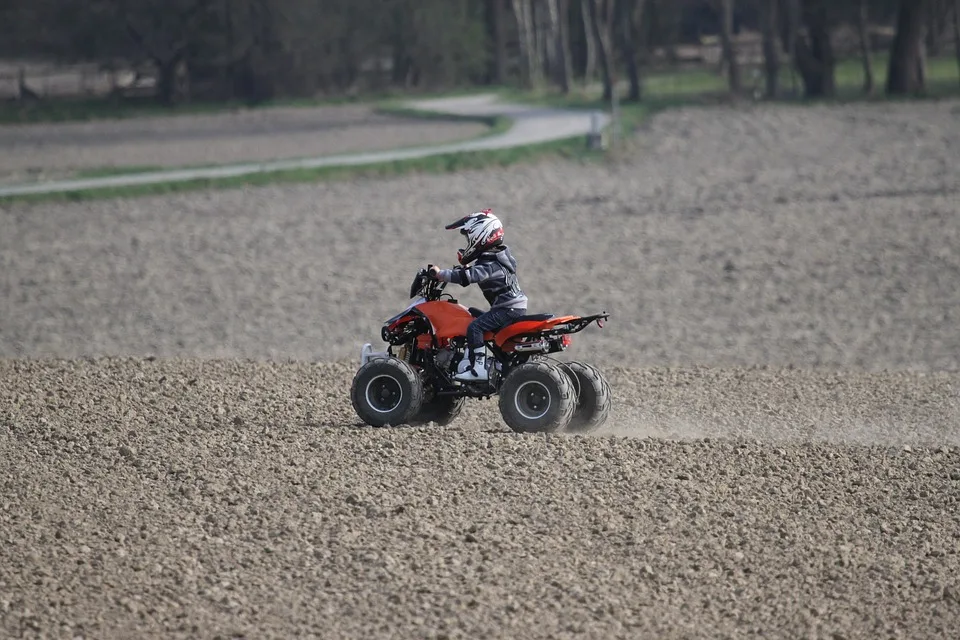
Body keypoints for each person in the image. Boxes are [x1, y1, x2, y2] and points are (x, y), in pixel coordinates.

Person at [428, 209, 527, 381]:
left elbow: (468, 277)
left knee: (475, 327)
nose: (467, 243)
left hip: (507, 309)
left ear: (480, 235)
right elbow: (476, 272)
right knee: (473, 315)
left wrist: (439, 274)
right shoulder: (499, 257)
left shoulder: (490, 263)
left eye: (468, 238)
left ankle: (478, 369)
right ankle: (495, 363)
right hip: (512, 308)